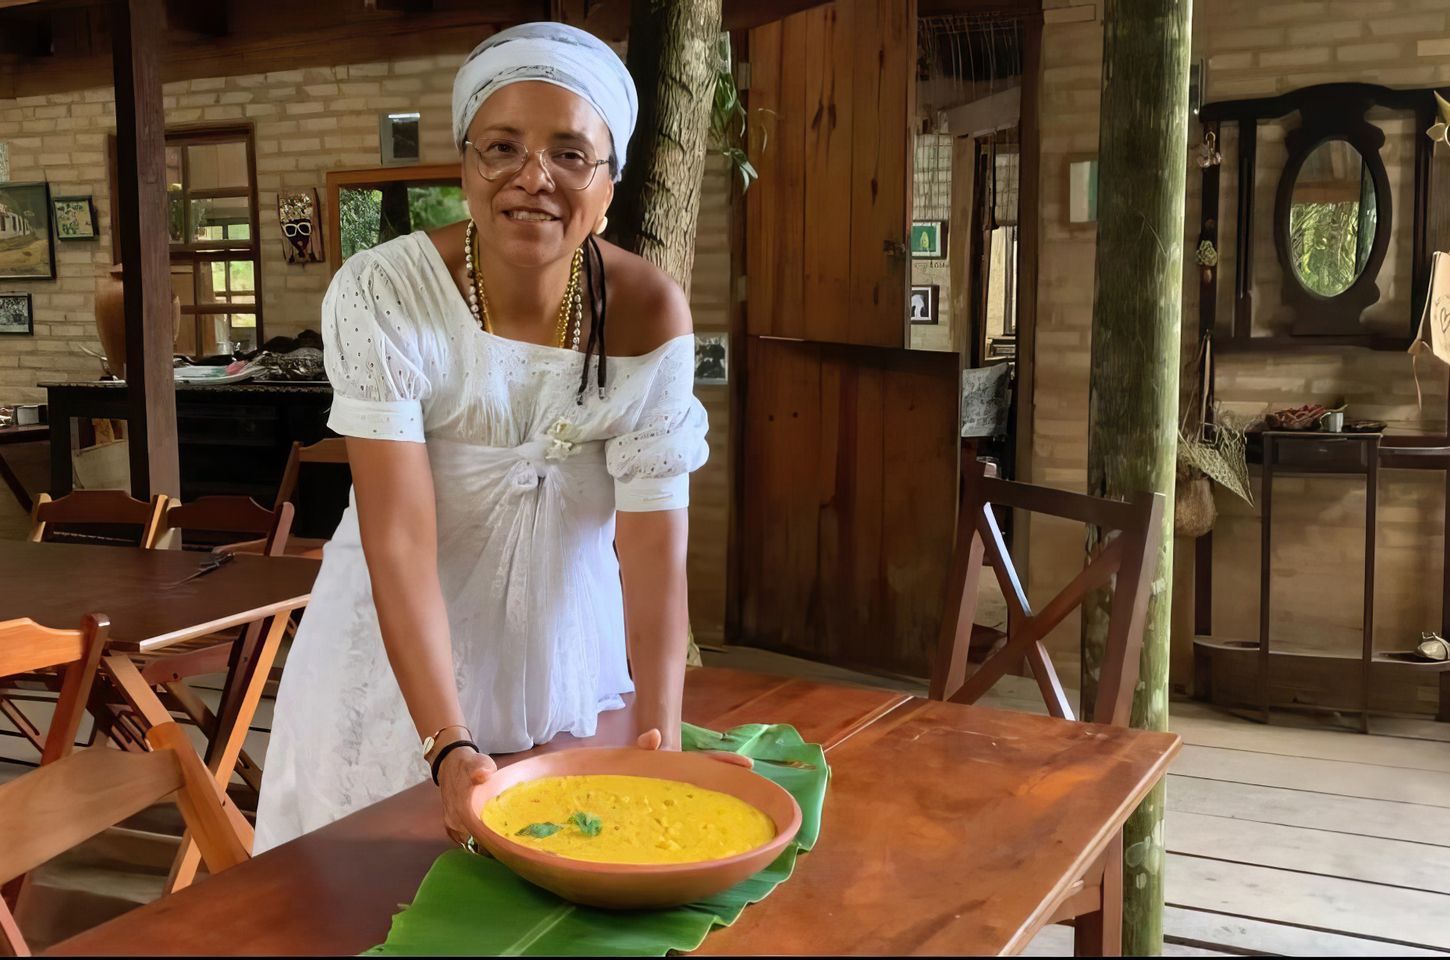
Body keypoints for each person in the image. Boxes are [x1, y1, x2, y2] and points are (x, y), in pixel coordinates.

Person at [254, 22, 739, 853]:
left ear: (611, 181)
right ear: (465, 162)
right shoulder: (384, 293)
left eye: (570, 154)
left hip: (563, 659)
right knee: (363, 903)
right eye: (502, 147)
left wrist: (661, 739)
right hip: (394, 663)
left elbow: (654, 547)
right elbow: (399, 535)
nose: (533, 179)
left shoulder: (649, 310)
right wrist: (447, 743)